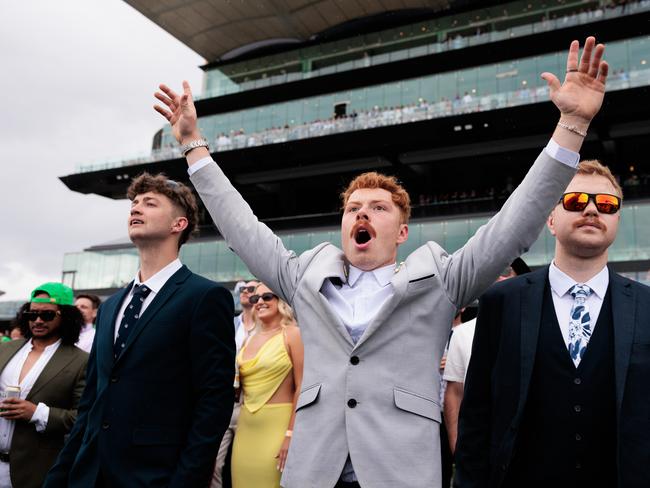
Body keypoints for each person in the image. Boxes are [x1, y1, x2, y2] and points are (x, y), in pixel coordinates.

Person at [155, 37, 608, 488]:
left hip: (400, 472)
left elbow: (514, 224)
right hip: (314, 471)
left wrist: (571, 124)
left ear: (402, 232)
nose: (362, 213)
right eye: (353, 208)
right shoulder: (302, 278)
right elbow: (241, 227)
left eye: (378, 207)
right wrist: (193, 144)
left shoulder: (440, 281)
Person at [454, 160, 650, 488]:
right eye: (575, 201)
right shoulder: (502, 302)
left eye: (605, 204)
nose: (591, 210)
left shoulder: (646, 305)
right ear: (550, 219)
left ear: (616, 219)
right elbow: (477, 417)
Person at [44, 174, 236, 488]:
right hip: (89, 474)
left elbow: (213, 401)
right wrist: (60, 475)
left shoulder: (204, 297)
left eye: (150, 203)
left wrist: (185, 481)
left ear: (179, 224)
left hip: (155, 475)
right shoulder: (110, 305)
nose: (136, 209)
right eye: (134, 203)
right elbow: (91, 401)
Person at [0, 283, 88, 488]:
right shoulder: (6, 349)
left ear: (65, 315)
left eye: (47, 315)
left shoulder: (81, 361)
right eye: (32, 314)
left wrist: (37, 413)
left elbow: (83, 418)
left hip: (34, 472)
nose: (38, 320)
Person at [443, 259, 530, 453]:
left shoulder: (541, 327)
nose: (498, 277)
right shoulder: (462, 333)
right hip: (482, 443)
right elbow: (455, 392)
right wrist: (457, 442)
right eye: (491, 272)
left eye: (506, 271)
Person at [231, 283, 303, 487]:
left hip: (278, 428)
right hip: (245, 427)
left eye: (267, 297)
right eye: (255, 299)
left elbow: (302, 386)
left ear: (280, 300)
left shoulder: (293, 334)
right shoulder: (248, 340)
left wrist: (291, 434)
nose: (259, 302)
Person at [211, 279, 259, 488]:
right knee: (214, 463)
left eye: (251, 289)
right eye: (242, 288)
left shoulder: (268, 325)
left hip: (255, 402)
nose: (245, 292)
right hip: (228, 400)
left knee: (248, 463)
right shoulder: (230, 324)